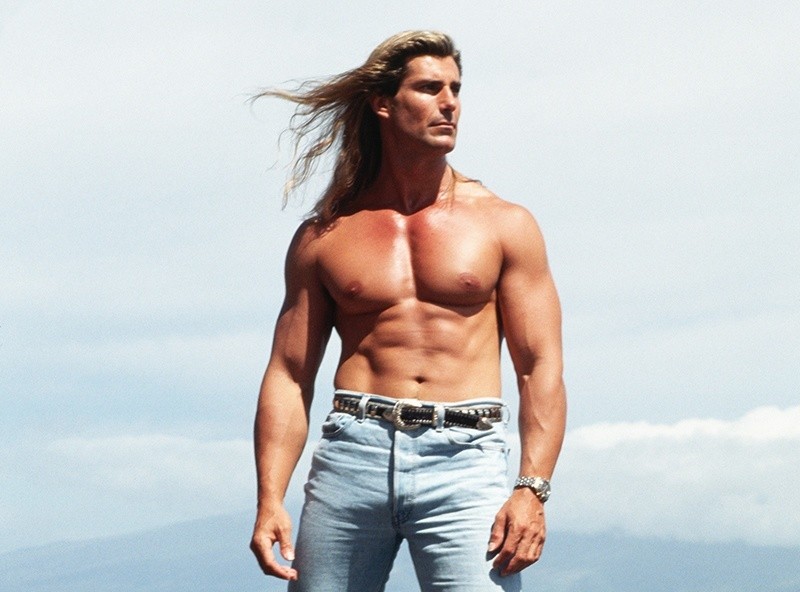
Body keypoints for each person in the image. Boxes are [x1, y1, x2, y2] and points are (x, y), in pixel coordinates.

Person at [249, 30, 566, 592]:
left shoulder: (503, 223)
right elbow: (290, 373)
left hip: (466, 458)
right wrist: (270, 498)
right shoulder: (326, 234)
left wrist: (532, 488)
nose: (450, 103)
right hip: (353, 451)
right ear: (383, 102)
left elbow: (538, 366)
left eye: (456, 89)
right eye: (428, 88)